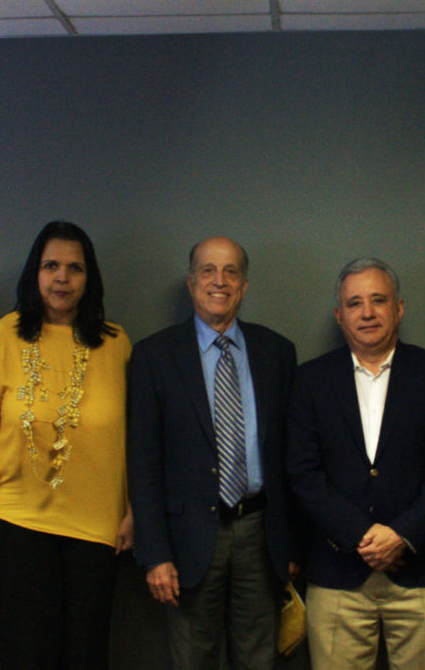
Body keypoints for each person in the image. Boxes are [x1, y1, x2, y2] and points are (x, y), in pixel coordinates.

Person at [0, 220, 133, 669]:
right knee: (27, 656)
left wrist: (132, 508)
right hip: (19, 525)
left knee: (86, 656)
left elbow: (134, 435)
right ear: (35, 273)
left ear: (89, 278)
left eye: (75, 268)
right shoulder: (1, 336)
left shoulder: (116, 344)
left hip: (96, 531)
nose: (62, 278)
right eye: (51, 266)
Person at [287, 257, 425, 670]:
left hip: (421, 574)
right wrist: (362, 535)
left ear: (399, 308)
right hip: (337, 576)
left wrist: (401, 534)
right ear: (339, 315)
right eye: (354, 303)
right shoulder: (311, 380)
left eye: (378, 300)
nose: (367, 312)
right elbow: (303, 472)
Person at [128, 237, 299, 670]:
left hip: (261, 534)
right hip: (187, 540)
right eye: (208, 270)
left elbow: (291, 457)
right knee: (193, 661)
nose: (219, 281)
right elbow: (143, 465)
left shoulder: (277, 353)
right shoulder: (153, 356)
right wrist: (155, 553)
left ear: (244, 285)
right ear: (191, 282)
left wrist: (293, 543)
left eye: (230, 271)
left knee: (258, 660)